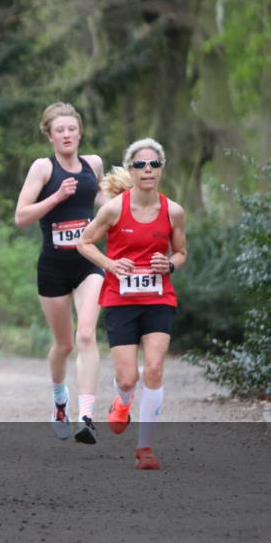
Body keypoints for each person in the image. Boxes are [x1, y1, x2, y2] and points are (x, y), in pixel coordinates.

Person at [76, 138, 187, 469]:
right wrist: (110, 264)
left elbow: (181, 252)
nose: (147, 170)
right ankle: (122, 400)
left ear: (161, 169)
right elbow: (84, 242)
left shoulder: (173, 211)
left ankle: (145, 449)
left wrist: (169, 264)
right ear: (130, 170)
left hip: (158, 299)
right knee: (128, 379)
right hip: (121, 300)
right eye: (140, 165)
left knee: (153, 368)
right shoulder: (113, 209)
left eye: (153, 164)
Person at [14, 103, 105, 443]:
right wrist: (55, 196)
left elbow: (103, 204)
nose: (66, 135)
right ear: (50, 135)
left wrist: (121, 197)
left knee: (86, 335)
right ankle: (59, 399)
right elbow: (21, 217)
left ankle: (87, 416)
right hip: (53, 267)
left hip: (88, 262)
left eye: (71, 129)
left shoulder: (93, 164)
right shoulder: (43, 168)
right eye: (60, 130)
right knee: (64, 345)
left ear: (80, 132)